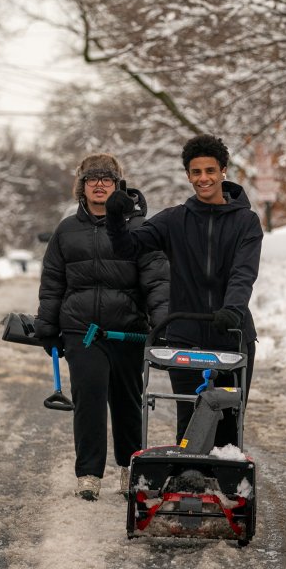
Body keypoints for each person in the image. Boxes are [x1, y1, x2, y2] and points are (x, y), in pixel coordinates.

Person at [104, 134, 263, 448]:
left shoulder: (246, 222)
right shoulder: (174, 220)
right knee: (189, 426)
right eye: (196, 172)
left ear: (223, 171)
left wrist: (232, 309)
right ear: (188, 175)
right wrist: (115, 217)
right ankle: (188, 474)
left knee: (227, 428)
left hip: (232, 334)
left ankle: (225, 473)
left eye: (210, 170)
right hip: (185, 336)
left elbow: (243, 272)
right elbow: (128, 248)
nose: (203, 178)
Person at [34, 154, 169, 501]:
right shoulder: (67, 230)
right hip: (82, 331)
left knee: (127, 403)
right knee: (89, 400)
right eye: (91, 179)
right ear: (81, 186)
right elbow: (52, 281)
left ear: (117, 185)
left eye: (106, 179)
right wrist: (47, 326)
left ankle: (130, 468)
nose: (99, 184)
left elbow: (157, 280)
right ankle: (89, 474)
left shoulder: (139, 229)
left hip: (128, 330)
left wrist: (162, 322)